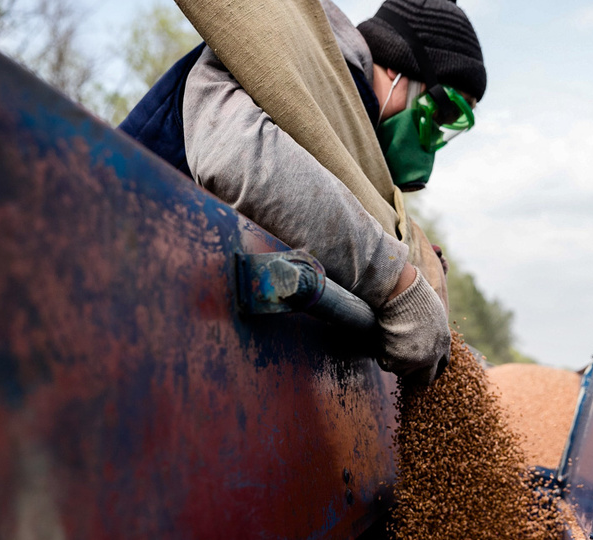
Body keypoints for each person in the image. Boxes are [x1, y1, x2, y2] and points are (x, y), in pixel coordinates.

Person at [119, 0, 485, 385]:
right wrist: (396, 281)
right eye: (441, 113)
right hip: (120, 275)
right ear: (396, 68)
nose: (434, 136)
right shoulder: (299, 60)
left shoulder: (349, 130)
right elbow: (235, 157)